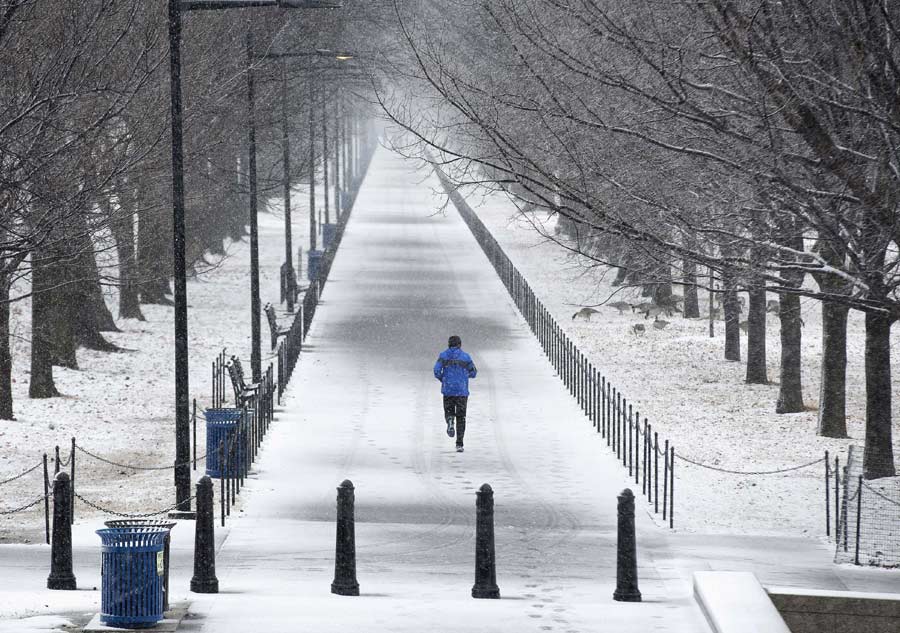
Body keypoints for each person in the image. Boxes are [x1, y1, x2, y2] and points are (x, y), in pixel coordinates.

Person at [433, 335, 477, 452]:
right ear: (459, 345)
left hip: (448, 390)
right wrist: (464, 376)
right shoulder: (466, 357)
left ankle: (450, 420)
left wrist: (444, 379)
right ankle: (459, 444)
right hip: (462, 391)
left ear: (449, 344)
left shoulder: (443, 356)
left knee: (448, 411)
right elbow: (473, 372)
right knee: (461, 417)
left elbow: (436, 370)